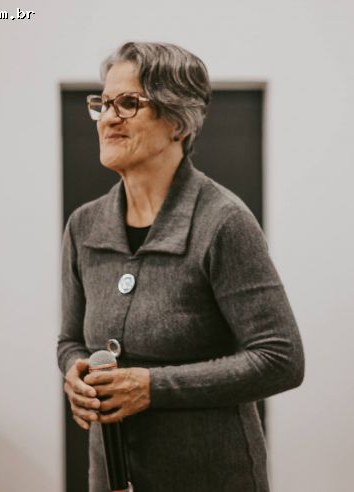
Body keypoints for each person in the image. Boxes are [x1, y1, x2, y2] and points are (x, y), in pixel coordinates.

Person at [56, 41, 304, 492]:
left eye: (128, 103)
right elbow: (70, 341)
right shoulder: (83, 226)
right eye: (103, 103)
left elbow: (281, 359)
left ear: (177, 121)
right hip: (111, 478)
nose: (108, 118)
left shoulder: (223, 221)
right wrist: (75, 372)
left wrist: (152, 387)